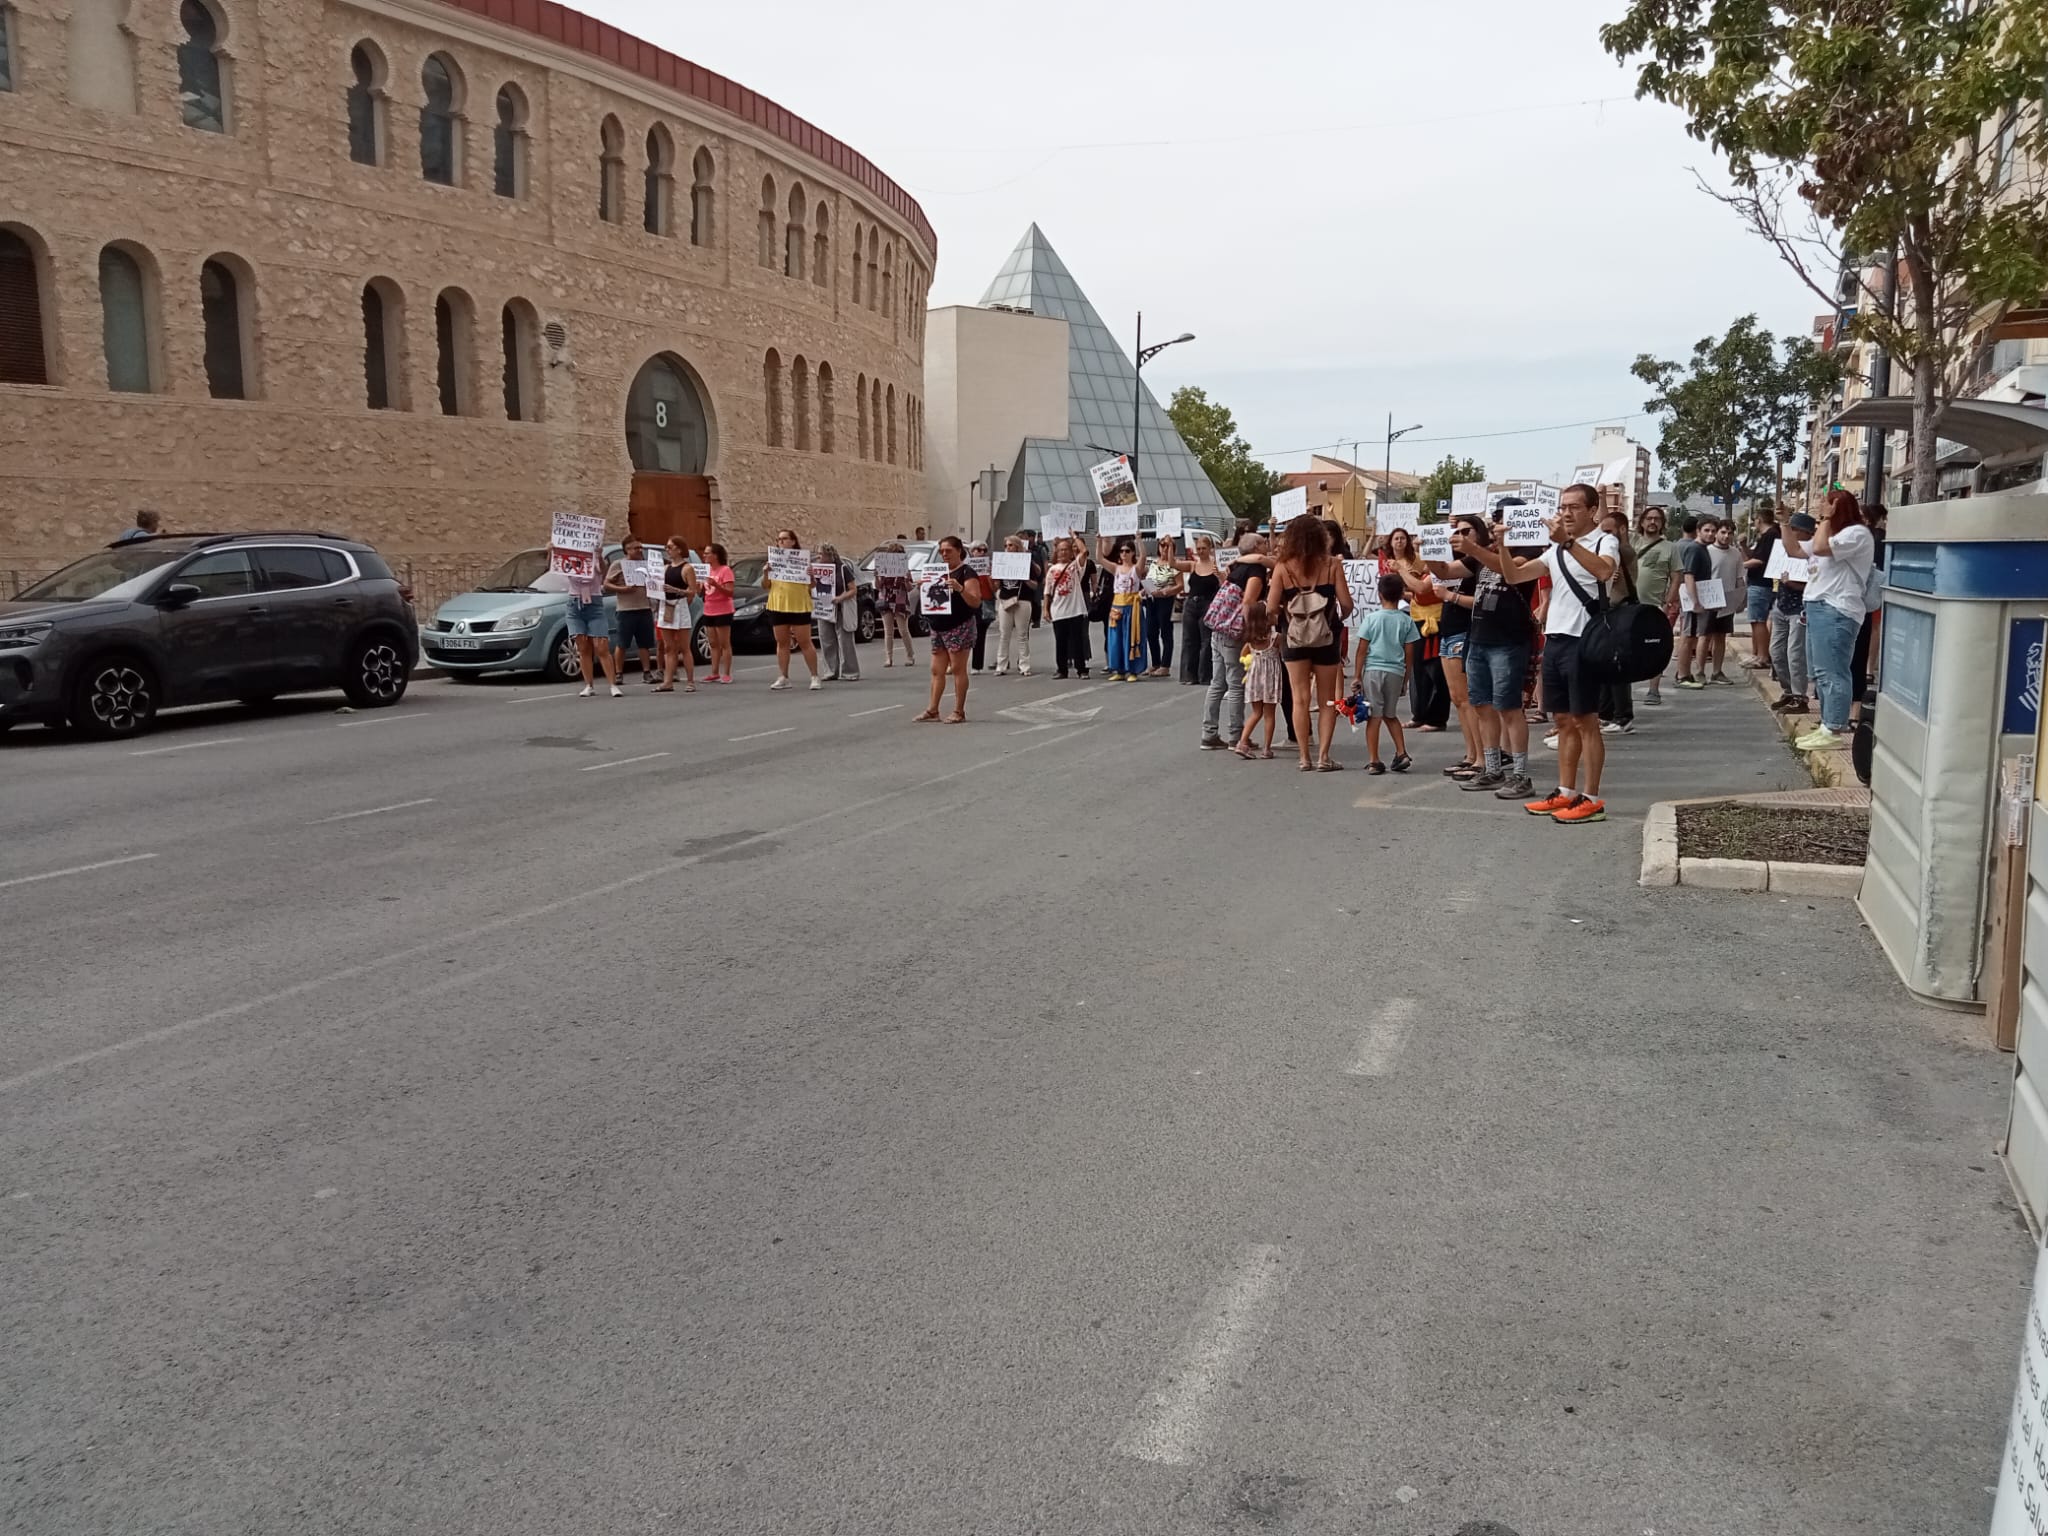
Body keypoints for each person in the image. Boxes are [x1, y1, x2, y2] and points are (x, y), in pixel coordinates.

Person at [1465, 483, 1617, 822]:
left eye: (1575, 507)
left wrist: (1567, 541)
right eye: (1563, 506)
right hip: (1557, 639)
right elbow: (1515, 573)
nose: (1566, 512)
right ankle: (1566, 792)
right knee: (1562, 719)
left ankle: (1591, 797)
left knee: (1586, 721)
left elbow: (1605, 571)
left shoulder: (1604, 541)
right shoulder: (1555, 549)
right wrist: (1502, 545)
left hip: (1585, 640)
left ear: (1592, 510)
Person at [1781, 489, 1875, 753]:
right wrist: (1784, 523)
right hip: (1818, 607)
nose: (1821, 507)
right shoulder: (1831, 533)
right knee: (1820, 671)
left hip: (1836, 609)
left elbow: (1821, 548)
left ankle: (1834, 726)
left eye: (1826, 504)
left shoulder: (1856, 534)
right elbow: (1794, 550)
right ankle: (1827, 723)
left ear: (1837, 508)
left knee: (1833, 671)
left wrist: (1824, 519)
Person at [1456, 516, 1539, 798]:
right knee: (1482, 706)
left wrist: (1476, 549)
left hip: (1508, 641)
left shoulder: (1530, 551)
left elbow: (1508, 571)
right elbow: (1444, 569)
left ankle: (1521, 775)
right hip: (1479, 638)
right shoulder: (1485, 552)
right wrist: (1432, 551)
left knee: (1510, 708)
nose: (1497, 527)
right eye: (1496, 522)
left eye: (1503, 521)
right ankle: (1492, 770)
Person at [1268, 514, 1354, 771]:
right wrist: (1332, 615)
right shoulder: (1332, 565)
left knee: (1300, 698)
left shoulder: (1282, 567)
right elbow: (1347, 605)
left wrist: (1288, 612)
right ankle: (1324, 757)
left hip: (1293, 638)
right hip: (1326, 637)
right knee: (1327, 700)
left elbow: (1272, 607)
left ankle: (1304, 757)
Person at [1201, 532, 1266, 750]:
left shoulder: (1236, 569)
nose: (1267, 545)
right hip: (1232, 632)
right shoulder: (1256, 571)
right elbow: (1248, 601)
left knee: (1217, 683)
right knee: (1236, 684)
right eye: (1264, 542)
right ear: (1256, 546)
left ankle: (1208, 733)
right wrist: (1251, 632)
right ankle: (1236, 736)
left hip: (1217, 628)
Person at [1429, 520, 1483, 776]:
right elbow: (1442, 570)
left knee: (1469, 698)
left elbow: (1481, 601)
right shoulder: (1461, 561)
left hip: (1464, 632)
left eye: (1466, 531)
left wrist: (1451, 597)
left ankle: (1480, 757)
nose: (1459, 536)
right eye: (1456, 532)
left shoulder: (1478, 561)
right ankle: (1471, 754)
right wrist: (1428, 549)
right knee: (1458, 699)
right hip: (1448, 632)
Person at [1353, 573, 1421, 775]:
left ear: (1379, 594)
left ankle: (1374, 760)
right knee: (1391, 715)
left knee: (1374, 717)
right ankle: (1402, 752)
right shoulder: (1406, 621)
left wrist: (1357, 675)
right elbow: (1410, 653)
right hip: (1395, 672)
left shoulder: (1371, 619)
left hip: (1373, 671)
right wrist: (1406, 679)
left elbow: (1362, 650)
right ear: (1402, 594)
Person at [1383, 527, 1448, 731]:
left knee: (1435, 671)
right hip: (1417, 618)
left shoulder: (1442, 569)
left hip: (1435, 620)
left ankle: (1436, 718)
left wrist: (1401, 571)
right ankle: (1419, 714)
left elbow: (1420, 588)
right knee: (1417, 668)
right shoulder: (1424, 567)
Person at [914, 536, 984, 723]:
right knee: (937, 670)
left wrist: (960, 589)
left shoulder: (967, 573)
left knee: (958, 669)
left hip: (959, 625)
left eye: (948, 551)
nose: (944, 554)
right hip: (938, 626)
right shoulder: (938, 572)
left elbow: (976, 601)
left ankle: (959, 711)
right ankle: (933, 709)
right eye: (942, 551)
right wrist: (924, 585)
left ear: (959, 551)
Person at [557, 542, 621, 698]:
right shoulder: (570, 562)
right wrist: (551, 551)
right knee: (583, 646)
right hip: (574, 604)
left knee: (601, 646)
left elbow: (603, 572)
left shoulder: (594, 561)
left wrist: (598, 556)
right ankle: (588, 685)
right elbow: (554, 566)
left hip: (594, 604)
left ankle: (613, 684)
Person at [1597, 506, 1639, 736]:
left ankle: (1623, 716)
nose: (1604, 535)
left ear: (1622, 530)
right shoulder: (1610, 547)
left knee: (1617, 665)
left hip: (1621, 610)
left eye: (1609, 531)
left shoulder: (1624, 550)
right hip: (1608, 611)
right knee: (1605, 664)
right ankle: (1606, 714)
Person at [765, 528, 822, 691]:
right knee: (782, 642)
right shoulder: (773, 560)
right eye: (778, 539)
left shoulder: (803, 560)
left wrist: (811, 575)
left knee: (804, 642)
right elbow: (765, 585)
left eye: (784, 539)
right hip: (778, 604)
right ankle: (783, 676)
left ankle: (814, 676)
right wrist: (765, 573)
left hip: (798, 604)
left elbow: (812, 585)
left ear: (793, 541)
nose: (780, 542)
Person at [1632, 506, 1677, 704]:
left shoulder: (1670, 548)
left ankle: (1653, 690)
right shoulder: (1632, 541)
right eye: (1649, 518)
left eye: (1657, 519)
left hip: (1654, 606)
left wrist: (1668, 602)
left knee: (1654, 648)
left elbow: (1676, 577)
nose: (1652, 522)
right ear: (1642, 522)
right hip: (1630, 605)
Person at [1768, 523, 1812, 716]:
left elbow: (1816, 585)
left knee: (1795, 653)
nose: (1791, 533)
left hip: (1799, 608)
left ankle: (1799, 696)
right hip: (1781, 604)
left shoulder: (1812, 553)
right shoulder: (1782, 550)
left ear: (1806, 532)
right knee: (1776, 651)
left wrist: (1793, 584)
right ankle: (1788, 690)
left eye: (1795, 529)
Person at [605, 537, 661, 687]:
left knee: (645, 644)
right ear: (627, 550)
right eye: (635, 548)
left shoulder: (645, 565)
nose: (639, 550)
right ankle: (618, 673)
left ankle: (646, 672)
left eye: (640, 547)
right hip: (626, 609)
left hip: (644, 607)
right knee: (622, 643)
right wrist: (623, 589)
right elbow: (607, 584)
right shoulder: (618, 565)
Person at [1233, 602, 1282, 759]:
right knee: (1269, 714)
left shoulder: (1250, 640)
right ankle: (1267, 748)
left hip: (1254, 678)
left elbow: (1242, 655)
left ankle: (1242, 742)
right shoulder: (1276, 638)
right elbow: (1284, 655)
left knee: (1256, 713)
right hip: (1271, 679)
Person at [1670, 515, 1714, 690]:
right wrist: (1695, 601)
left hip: (1698, 600)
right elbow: (1689, 575)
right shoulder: (1695, 549)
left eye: (1713, 531)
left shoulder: (1703, 549)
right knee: (1687, 637)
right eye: (1707, 530)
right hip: (1693, 602)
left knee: (1691, 636)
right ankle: (1682, 675)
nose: (1710, 534)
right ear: (1698, 531)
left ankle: (1685, 672)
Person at [1172, 534, 1220, 685]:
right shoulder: (1193, 564)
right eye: (1198, 548)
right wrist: (1169, 545)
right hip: (1192, 603)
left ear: (1210, 549)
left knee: (1206, 640)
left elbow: (1224, 583)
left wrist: (1220, 575)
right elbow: (1173, 563)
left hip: (1208, 604)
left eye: (1203, 548)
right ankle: (1188, 675)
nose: (1200, 551)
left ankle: (1205, 675)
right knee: (1189, 640)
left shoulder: (1216, 565)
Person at [1045, 536, 1094, 679]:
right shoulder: (1052, 570)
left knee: (1077, 641)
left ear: (1071, 552)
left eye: (1066, 549)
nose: (1063, 552)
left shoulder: (1075, 567)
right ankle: (1062, 669)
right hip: (1058, 611)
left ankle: (1082, 669)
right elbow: (1047, 592)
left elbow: (1084, 551)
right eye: (1060, 550)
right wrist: (1045, 609)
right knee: (1060, 642)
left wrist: (1074, 537)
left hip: (1075, 610)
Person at [655, 537, 699, 692]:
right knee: (668, 647)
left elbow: (693, 591)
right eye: (666, 547)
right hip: (666, 606)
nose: (667, 550)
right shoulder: (666, 568)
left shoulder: (687, 568)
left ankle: (690, 681)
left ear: (679, 549)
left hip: (679, 606)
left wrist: (677, 590)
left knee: (684, 647)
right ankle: (668, 681)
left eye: (670, 547)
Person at [1705, 519, 1745, 685]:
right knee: (1704, 637)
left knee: (1721, 637)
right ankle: (1699, 671)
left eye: (1729, 533)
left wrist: (1741, 599)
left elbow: (1739, 578)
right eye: (1723, 532)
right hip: (1708, 599)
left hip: (1727, 601)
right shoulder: (1706, 551)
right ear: (1716, 533)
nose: (1726, 536)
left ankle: (1717, 671)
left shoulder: (1736, 553)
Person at [1100, 536, 1146, 682]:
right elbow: (1100, 558)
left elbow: (1143, 556)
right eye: (1121, 551)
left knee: (1131, 638)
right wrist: (1099, 541)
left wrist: (1139, 540)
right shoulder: (1116, 568)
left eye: (1127, 551)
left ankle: (1132, 670)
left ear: (1132, 553)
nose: (1124, 554)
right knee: (1116, 639)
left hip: (1132, 607)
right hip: (1117, 606)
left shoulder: (1136, 569)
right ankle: (1118, 669)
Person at [814, 542, 860, 683]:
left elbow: (853, 589)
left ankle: (850, 671)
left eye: (821, 554)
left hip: (841, 608)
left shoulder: (842, 569)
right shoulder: (817, 569)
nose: (818, 557)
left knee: (845, 641)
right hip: (824, 609)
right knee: (826, 640)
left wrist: (840, 598)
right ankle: (830, 671)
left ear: (829, 555)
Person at [1743, 508, 1780, 670]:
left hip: (1761, 583)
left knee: (1759, 620)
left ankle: (1763, 656)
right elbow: (1752, 555)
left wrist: (1739, 567)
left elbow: (1760, 560)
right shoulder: (1764, 537)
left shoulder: (1771, 535)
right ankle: (1757, 652)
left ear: (1759, 519)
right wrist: (1743, 546)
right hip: (1757, 582)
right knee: (1755, 620)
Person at [993, 534, 1035, 675]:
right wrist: (993, 577)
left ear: (1017, 546)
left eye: (1010, 545)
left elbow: (1035, 585)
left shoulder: (1026, 562)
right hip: (1005, 600)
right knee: (1004, 634)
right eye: (1006, 545)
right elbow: (996, 585)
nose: (1008, 548)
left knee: (1022, 635)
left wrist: (1025, 578)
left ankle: (1024, 666)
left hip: (1022, 600)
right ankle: (1001, 665)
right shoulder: (1001, 561)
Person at [1142, 538, 1182, 676]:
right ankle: (1155, 663)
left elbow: (1180, 585)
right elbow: (1148, 579)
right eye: (1162, 545)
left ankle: (1165, 665)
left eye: (1168, 546)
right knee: (1150, 632)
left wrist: (1167, 591)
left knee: (1165, 632)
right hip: (1151, 599)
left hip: (1165, 600)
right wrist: (1145, 589)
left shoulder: (1175, 565)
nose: (1164, 548)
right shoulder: (1153, 563)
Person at [875, 541, 918, 668]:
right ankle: (888, 658)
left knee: (903, 630)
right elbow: (878, 586)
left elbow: (910, 588)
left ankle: (910, 655)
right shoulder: (883, 568)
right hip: (886, 599)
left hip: (900, 600)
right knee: (888, 631)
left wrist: (905, 580)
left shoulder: (905, 569)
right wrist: (877, 577)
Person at [700, 543, 736, 684]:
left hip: (723, 610)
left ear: (716, 555)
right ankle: (714, 672)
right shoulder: (707, 570)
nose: (704, 555)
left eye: (707, 553)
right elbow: (704, 591)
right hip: (709, 609)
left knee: (724, 643)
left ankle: (726, 673)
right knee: (713, 643)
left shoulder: (725, 570)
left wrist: (716, 585)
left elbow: (730, 592)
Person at [967, 541, 998, 673]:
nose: (982, 553)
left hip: (985, 602)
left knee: (980, 634)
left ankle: (977, 665)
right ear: (972, 552)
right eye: (978, 550)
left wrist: (991, 578)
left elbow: (994, 589)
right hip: (969, 603)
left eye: (984, 550)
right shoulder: (966, 568)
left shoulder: (989, 568)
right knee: (966, 634)